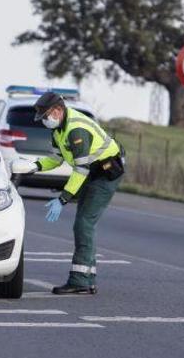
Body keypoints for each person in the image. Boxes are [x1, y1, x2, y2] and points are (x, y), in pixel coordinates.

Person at [26, 91, 125, 295]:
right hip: (93, 172)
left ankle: (80, 280)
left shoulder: (75, 129)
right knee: (84, 224)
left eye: (46, 116)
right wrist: (33, 166)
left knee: (84, 224)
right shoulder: (58, 131)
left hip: (106, 173)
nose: (45, 121)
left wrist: (62, 199)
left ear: (58, 110)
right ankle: (87, 279)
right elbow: (55, 160)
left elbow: (81, 169)